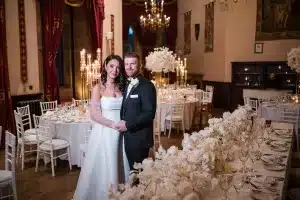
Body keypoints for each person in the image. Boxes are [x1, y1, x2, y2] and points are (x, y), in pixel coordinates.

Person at [73, 55, 130, 200]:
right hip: (106, 132)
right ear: (105, 66)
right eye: (111, 66)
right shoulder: (98, 87)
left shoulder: (123, 86)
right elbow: (94, 114)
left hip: (123, 132)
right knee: (107, 165)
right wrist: (112, 124)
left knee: (122, 163)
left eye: (118, 67)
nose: (115, 70)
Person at [116, 52, 157, 176]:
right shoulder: (128, 83)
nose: (129, 67)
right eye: (127, 64)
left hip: (139, 139)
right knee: (133, 174)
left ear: (140, 65)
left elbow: (149, 113)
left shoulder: (147, 85)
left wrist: (127, 125)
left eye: (133, 64)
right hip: (129, 137)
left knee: (139, 176)